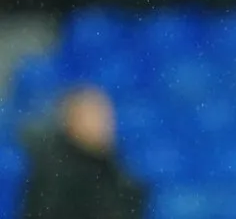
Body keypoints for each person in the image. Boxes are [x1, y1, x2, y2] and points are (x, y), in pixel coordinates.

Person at [19, 87, 146, 219]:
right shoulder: (54, 172)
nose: (104, 123)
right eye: (94, 114)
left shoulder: (115, 169)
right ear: (71, 120)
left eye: (106, 114)